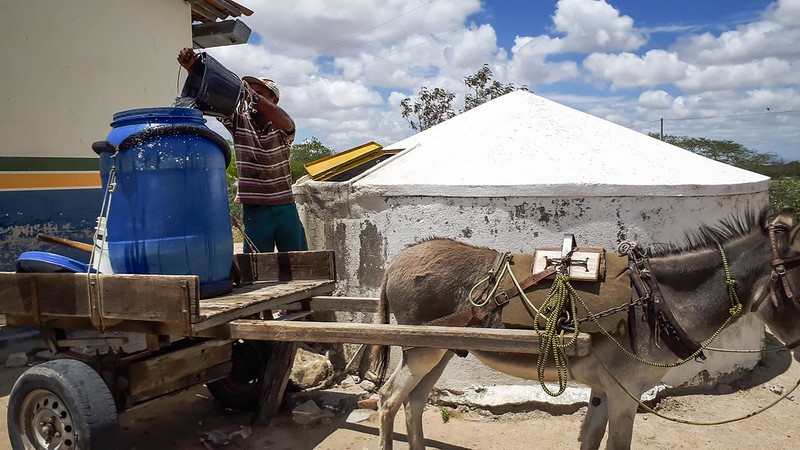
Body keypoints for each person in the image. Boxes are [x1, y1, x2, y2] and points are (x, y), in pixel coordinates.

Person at [177, 48, 308, 253]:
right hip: (254, 209)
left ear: (274, 100)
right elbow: (211, 98)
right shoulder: (239, 120)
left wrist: (253, 96)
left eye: (261, 93)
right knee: (256, 266)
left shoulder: (282, 127)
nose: (252, 97)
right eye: (251, 92)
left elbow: (285, 120)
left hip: (284, 206)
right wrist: (194, 71)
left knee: (299, 260)